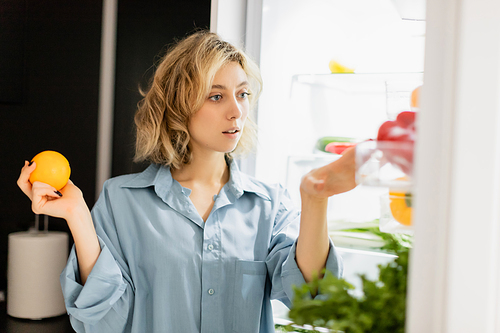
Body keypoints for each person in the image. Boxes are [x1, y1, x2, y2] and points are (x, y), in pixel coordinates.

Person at [17, 30, 356, 333]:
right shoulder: (121, 200)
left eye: (243, 94)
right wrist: (78, 216)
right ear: (180, 104)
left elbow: (312, 297)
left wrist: (315, 196)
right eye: (217, 96)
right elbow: (102, 323)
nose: (236, 111)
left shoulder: (269, 204)